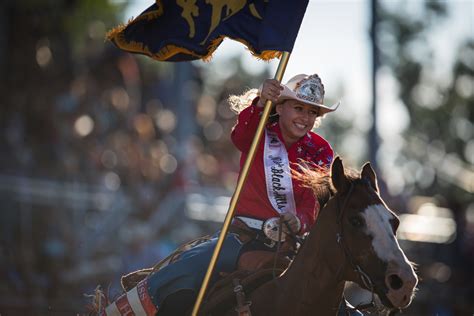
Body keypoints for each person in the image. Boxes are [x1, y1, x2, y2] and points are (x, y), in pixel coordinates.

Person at [101, 74, 340, 316]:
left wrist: (299, 220)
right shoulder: (260, 131)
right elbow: (240, 136)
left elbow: (314, 197)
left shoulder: (320, 150)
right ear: (280, 106)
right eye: (298, 108)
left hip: (291, 244)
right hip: (242, 237)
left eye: (312, 113)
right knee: (186, 267)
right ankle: (122, 311)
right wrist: (259, 103)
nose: (305, 117)